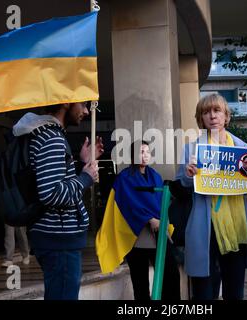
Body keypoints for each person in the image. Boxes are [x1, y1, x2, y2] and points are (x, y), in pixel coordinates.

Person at [175, 93, 247, 300]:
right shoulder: (190, 149)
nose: (212, 116)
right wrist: (187, 175)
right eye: (206, 112)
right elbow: (179, 186)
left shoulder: (244, 149)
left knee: (235, 287)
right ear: (200, 118)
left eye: (216, 110)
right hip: (205, 225)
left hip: (237, 226)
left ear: (226, 116)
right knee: (203, 290)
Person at [11, 102, 103, 300]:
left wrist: (80, 164)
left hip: (54, 238)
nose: (86, 111)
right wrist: (86, 178)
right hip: (59, 241)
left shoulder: (44, 134)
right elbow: (51, 193)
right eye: (83, 104)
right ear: (66, 102)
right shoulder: (52, 138)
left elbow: (52, 181)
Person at [98, 141, 181, 300]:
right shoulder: (124, 178)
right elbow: (127, 204)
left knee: (170, 274)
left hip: (158, 231)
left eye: (147, 152)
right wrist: (149, 219)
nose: (144, 156)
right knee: (140, 282)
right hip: (136, 235)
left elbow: (160, 201)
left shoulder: (155, 176)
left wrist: (160, 219)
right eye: (141, 152)